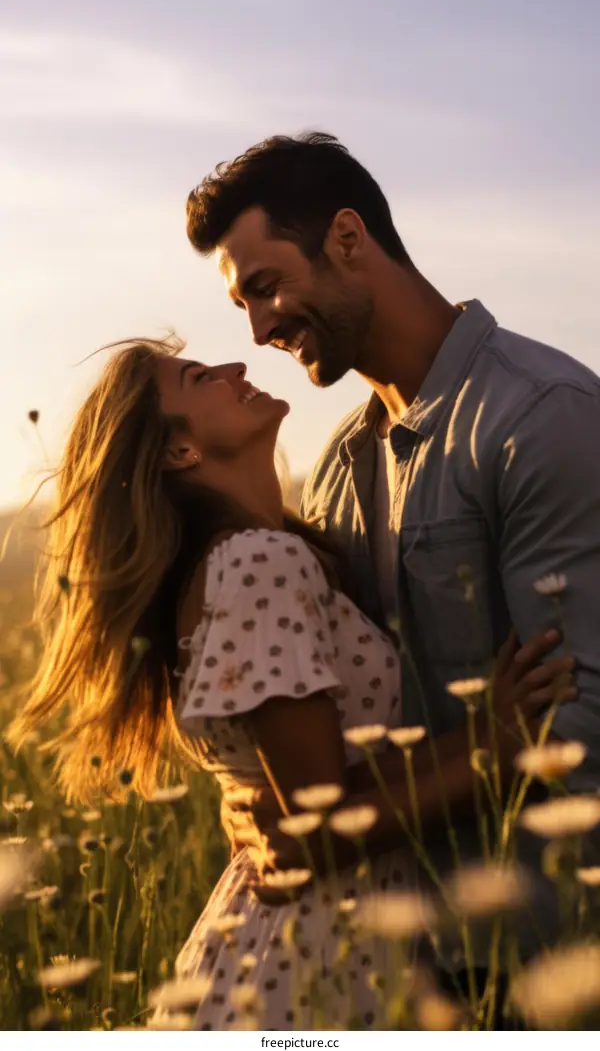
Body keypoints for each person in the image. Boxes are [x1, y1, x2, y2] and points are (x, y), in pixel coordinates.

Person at [8, 337, 572, 1031]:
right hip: (313, 963)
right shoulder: (257, 562)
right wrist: (498, 748)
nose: (236, 367)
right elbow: (314, 831)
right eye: (199, 377)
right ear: (180, 451)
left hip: (302, 949)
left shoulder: (249, 557)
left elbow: (308, 801)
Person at [185, 131, 600, 989]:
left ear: (346, 237)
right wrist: (289, 808)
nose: (261, 329)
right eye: (244, 309)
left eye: (265, 288)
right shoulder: (340, 470)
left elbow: (579, 730)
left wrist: (317, 822)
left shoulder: (539, 416)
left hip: (554, 957)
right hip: (406, 969)